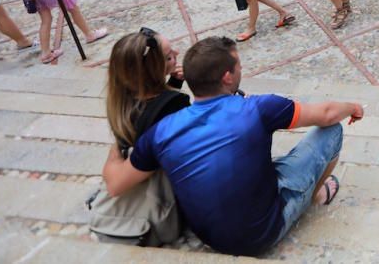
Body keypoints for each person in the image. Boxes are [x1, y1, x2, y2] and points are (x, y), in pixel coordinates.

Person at [100, 36, 363, 257]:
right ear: (227, 77)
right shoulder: (258, 107)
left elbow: (114, 184)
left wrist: (119, 143)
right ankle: (313, 197)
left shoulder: (159, 132)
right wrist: (353, 107)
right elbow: (328, 114)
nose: (240, 70)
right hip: (262, 234)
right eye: (238, 66)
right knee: (332, 132)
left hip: (209, 236)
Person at [104, 29, 189, 199]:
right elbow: (114, 186)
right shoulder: (176, 104)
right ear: (154, 69)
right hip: (169, 198)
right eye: (169, 56)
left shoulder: (122, 104)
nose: (177, 53)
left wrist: (173, 84)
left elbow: (153, 106)